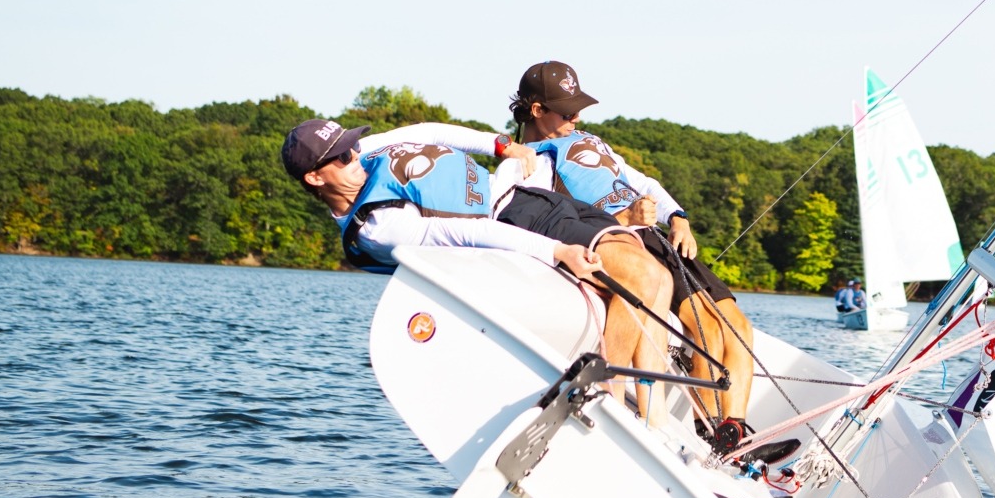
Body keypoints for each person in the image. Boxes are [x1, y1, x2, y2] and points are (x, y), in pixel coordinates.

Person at [506, 61, 781, 461]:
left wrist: (679, 218)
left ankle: (731, 433)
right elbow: (555, 224)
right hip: (625, 240)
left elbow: (644, 184)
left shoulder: (590, 141)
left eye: (578, 109)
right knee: (707, 334)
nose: (576, 118)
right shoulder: (531, 162)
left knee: (737, 328)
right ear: (536, 111)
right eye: (567, 112)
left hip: (659, 237)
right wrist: (625, 220)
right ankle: (711, 437)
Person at [283, 116, 673, 391]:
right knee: (635, 274)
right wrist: (559, 252)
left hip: (522, 191)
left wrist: (500, 144)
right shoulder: (380, 227)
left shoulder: (359, 157)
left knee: (656, 273)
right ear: (316, 178)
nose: (354, 154)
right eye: (342, 156)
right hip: (513, 218)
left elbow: (428, 131)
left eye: (351, 145)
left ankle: (652, 409)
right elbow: (471, 231)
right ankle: (609, 397)